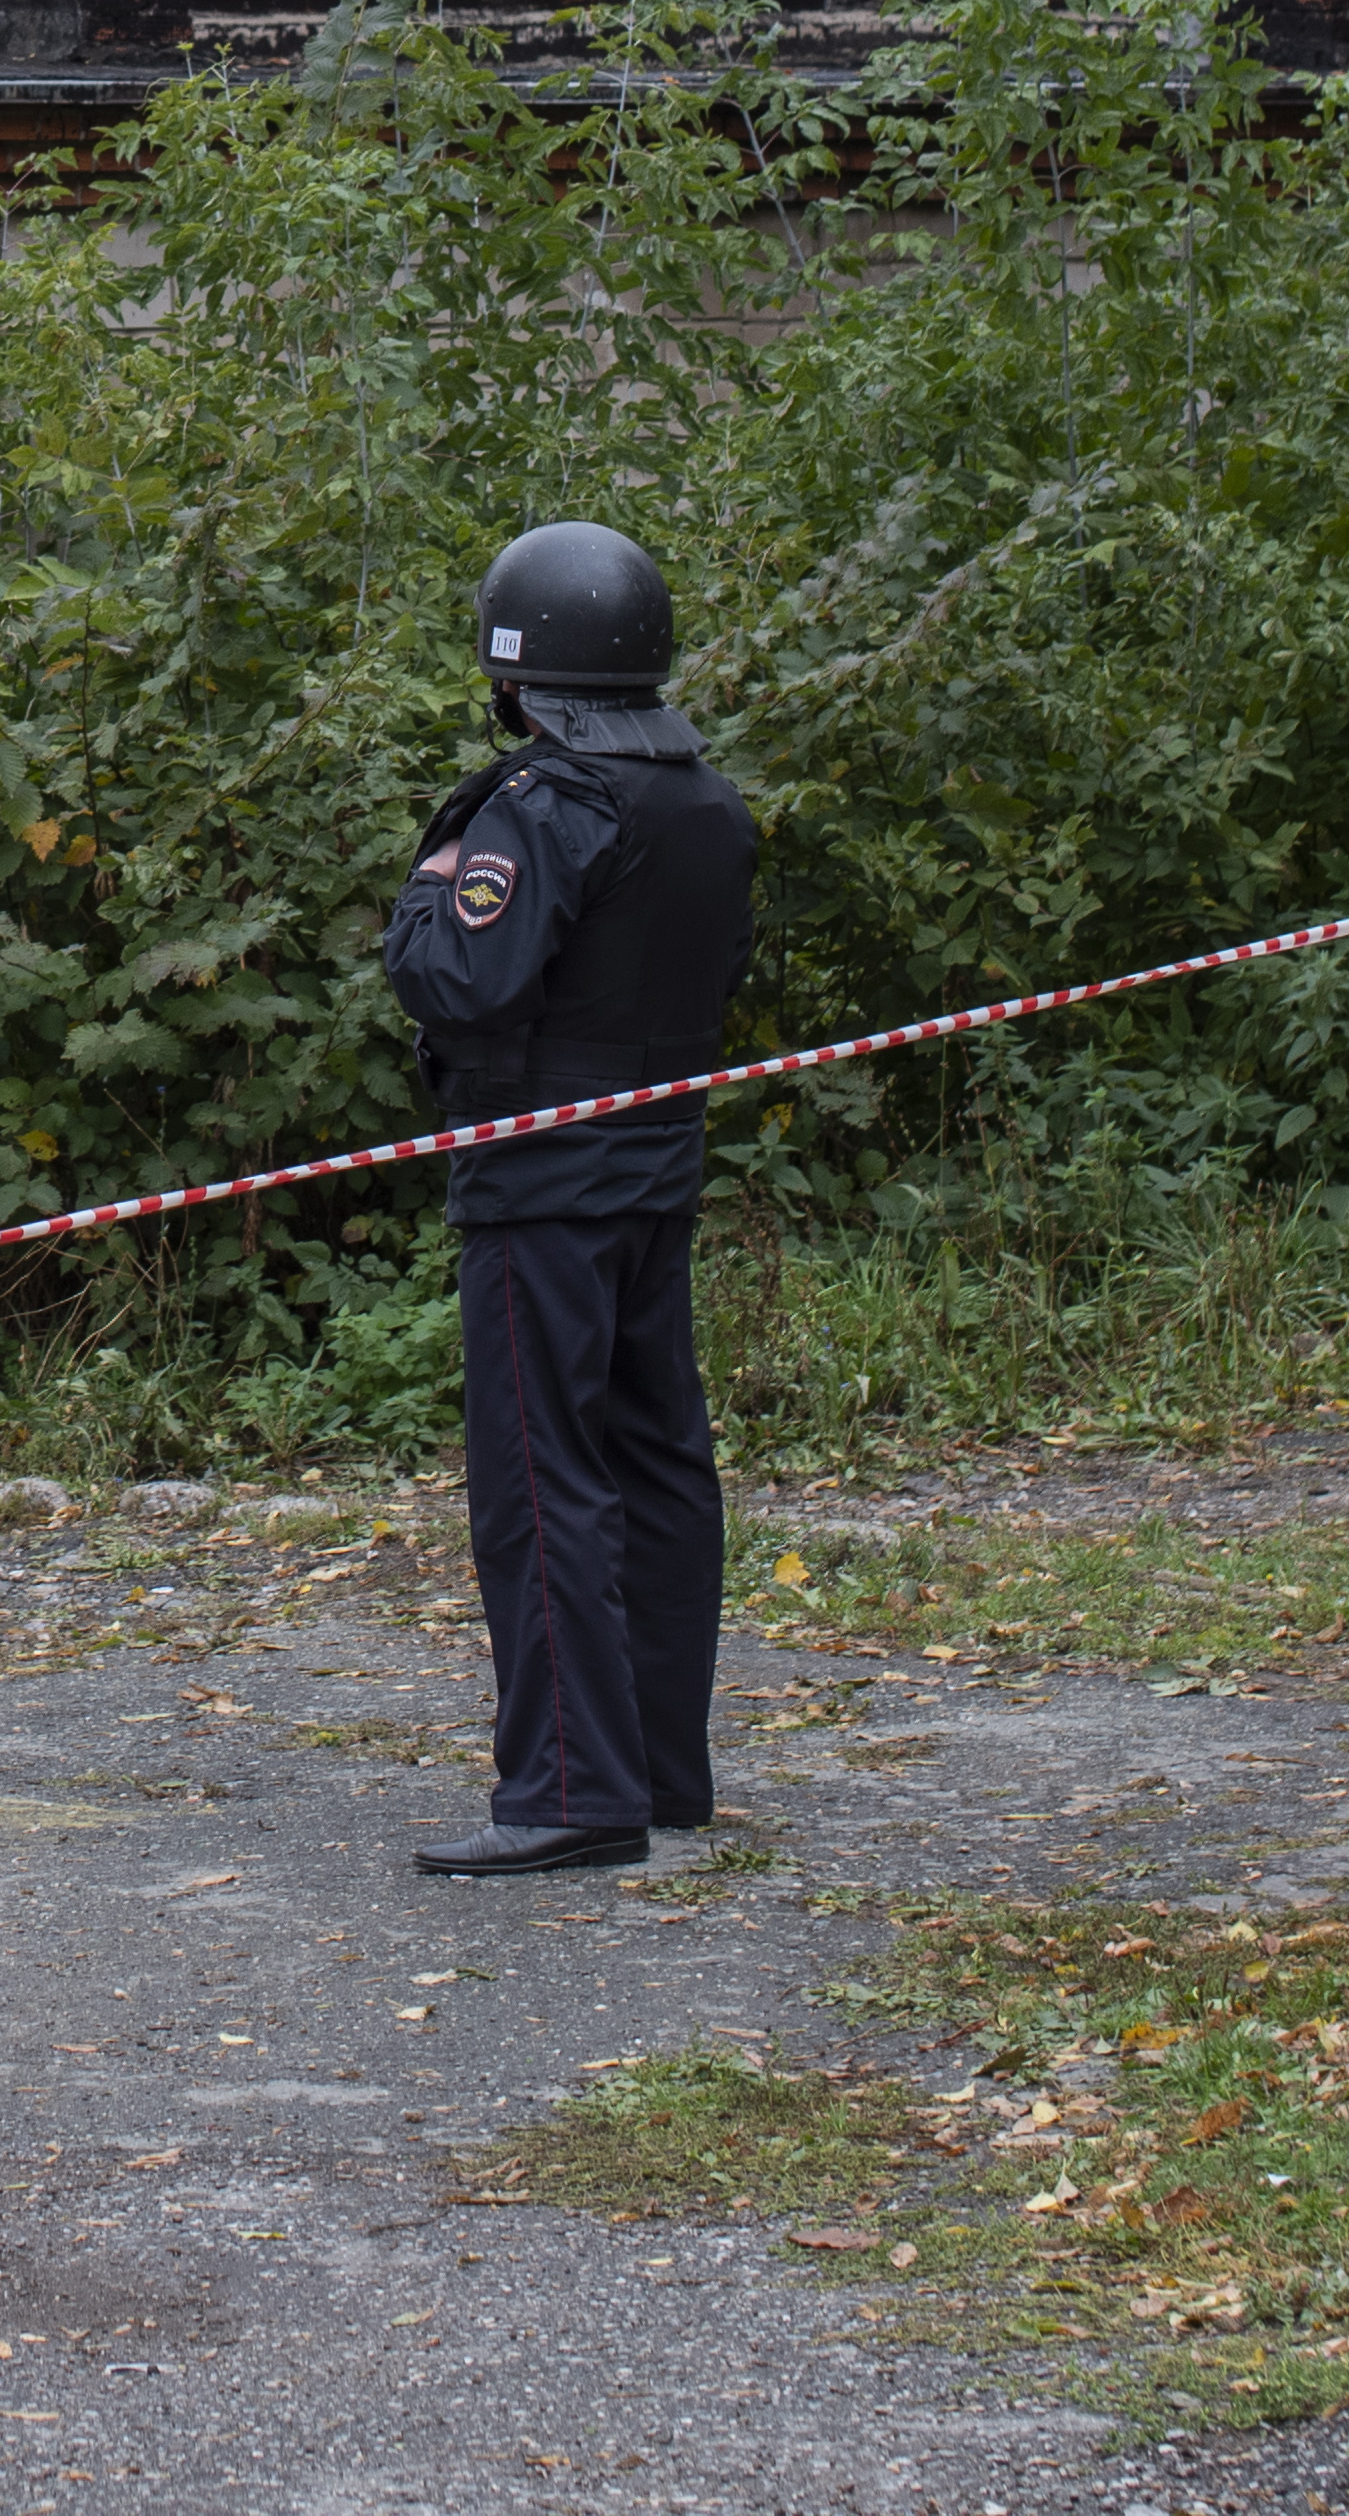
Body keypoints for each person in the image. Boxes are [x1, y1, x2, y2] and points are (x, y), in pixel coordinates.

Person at [380, 519, 760, 1879]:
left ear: (518, 670)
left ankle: (565, 1792)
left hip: (541, 1184)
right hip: (657, 1164)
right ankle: (657, 1773)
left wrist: (429, 896)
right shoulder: (709, 804)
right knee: (658, 1463)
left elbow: (465, 982)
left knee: (543, 1482)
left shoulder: (547, 806)